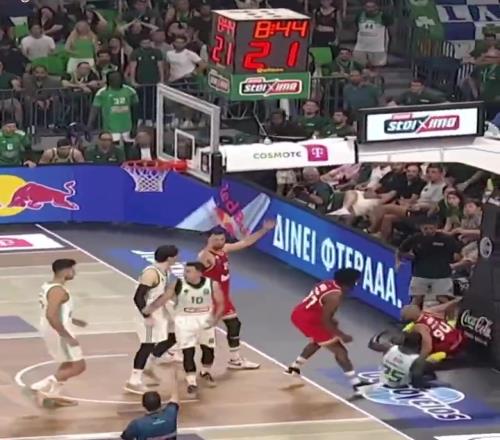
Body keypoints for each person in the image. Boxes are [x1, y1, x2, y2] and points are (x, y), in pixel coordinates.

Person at [198, 221, 276, 370]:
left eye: (222, 239)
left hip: (223, 298)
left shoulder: (224, 249)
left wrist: (264, 230)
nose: (219, 242)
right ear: (209, 239)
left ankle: (235, 359)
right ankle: (170, 349)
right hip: (210, 299)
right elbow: (195, 276)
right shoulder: (205, 256)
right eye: (216, 239)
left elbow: (245, 242)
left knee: (234, 325)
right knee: (198, 331)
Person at [144, 262, 224, 396]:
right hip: (185, 321)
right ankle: (191, 381)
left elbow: (221, 304)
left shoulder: (212, 284)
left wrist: (215, 320)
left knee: (208, 350)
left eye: (188, 271)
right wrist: (149, 310)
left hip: (205, 320)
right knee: (188, 351)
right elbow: (163, 299)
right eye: (185, 271)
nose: (185, 274)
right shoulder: (178, 284)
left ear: (199, 273)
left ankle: (205, 372)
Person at [285, 268, 369, 394]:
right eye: (356, 281)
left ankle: (294, 367)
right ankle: (356, 385)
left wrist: (332, 322)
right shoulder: (334, 297)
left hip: (300, 312)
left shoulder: (327, 283)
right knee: (340, 350)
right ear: (349, 283)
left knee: (318, 341)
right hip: (311, 321)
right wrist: (341, 335)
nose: (357, 284)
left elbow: (322, 308)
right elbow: (325, 321)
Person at [29, 259, 87, 406]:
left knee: (67, 363)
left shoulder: (48, 286)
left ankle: (54, 394)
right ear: (65, 271)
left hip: (53, 329)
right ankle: (40, 386)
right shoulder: (58, 290)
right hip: (58, 331)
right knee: (79, 366)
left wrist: (74, 320)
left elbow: (57, 311)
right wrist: (66, 336)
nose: (74, 273)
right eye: (72, 269)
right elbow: (51, 314)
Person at [125, 245, 179, 394]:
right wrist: (147, 316)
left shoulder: (165, 271)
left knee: (175, 334)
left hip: (159, 310)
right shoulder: (151, 273)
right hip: (147, 312)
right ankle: (133, 381)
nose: (177, 258)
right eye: (175, 256)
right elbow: (138, 297)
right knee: (147, 345)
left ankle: (150, 363)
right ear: (170, 258)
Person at [396, 216, 462, 308]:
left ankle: (451, 317)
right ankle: (412, 316)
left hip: (442, 276)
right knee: (416, 300)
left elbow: (458, 254)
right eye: (425, 228)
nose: (429, 231)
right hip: (420, 275)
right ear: (421, 228)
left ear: (436, 227)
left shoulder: (446, 239)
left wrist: (454, 260)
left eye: (431, 228)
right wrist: (399, 261)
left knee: (443, 299)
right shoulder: (415, 239)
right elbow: (401, 251)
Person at [401, 299, 465, 361]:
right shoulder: (427, 311)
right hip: (460, 337)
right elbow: (443, 307)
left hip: (451, 348)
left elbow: (427, 347)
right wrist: (455, 301)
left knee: (430, 357)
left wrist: (420, 359)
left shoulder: (419, 326)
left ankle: (444, 357)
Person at [369, 331, 433, 389]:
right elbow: (416, 383)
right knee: (431, 379)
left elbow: (372, 344)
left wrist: (378, 334)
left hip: (382, 381)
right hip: (398, 388)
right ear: (419, 345)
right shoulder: (417, 361)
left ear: (404, 341)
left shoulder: (390, 348)